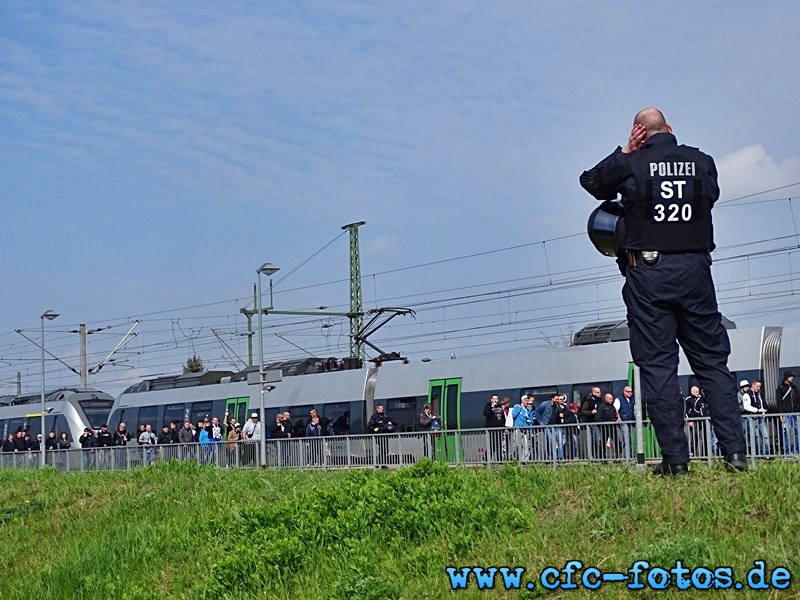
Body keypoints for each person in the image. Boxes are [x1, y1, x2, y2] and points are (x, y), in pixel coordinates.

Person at [580, 107, 747, 474]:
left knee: (657, 367)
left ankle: (676, 461)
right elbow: (711, 196)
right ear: (670, 129)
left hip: (648, 274)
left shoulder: (631, 163)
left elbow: (592, 183)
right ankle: (735, 455)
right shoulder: (702, 162)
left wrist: (626, 153)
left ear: (639, 133)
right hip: (696, 272)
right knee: (713, 364)